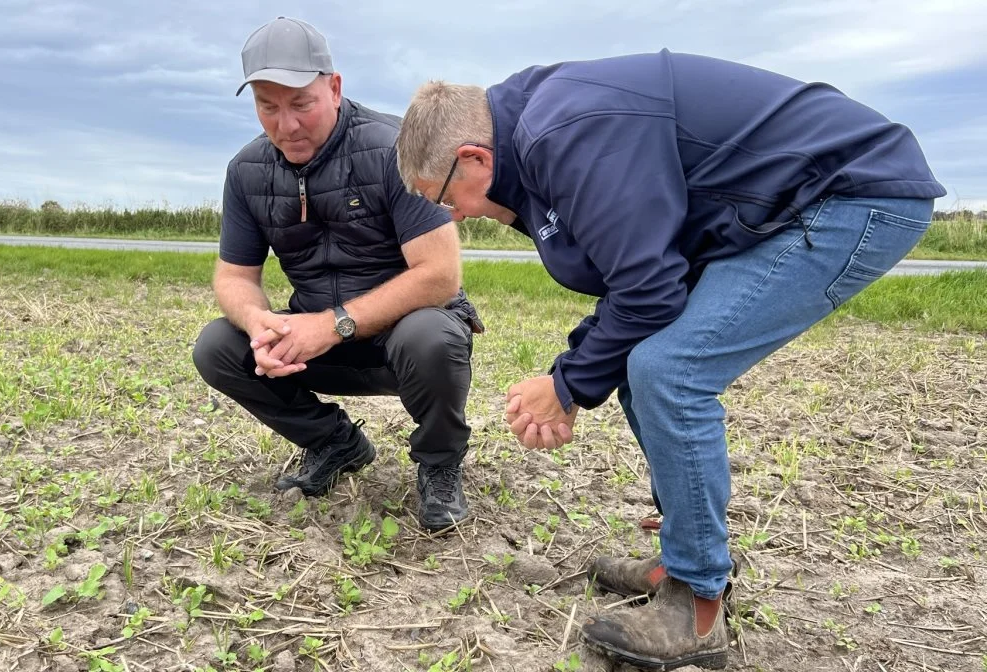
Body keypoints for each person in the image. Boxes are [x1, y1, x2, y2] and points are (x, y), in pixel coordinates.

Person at [395, 49, 945, 669]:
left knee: (671, 371)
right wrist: (570, 372)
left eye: (443, 198)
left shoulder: (565, 132)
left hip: (849, 194)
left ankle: (699, 605)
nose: (455, 216)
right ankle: (685, 555)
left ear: (474, 159)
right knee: (642, 362)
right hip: (788, 204)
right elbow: (641, 275)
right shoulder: (539, 135)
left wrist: (567, 385)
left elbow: (651, 292)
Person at [191, 16, 484, 533]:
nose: (286, 125)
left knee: (432, 334)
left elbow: (440, 276)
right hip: (321, 342)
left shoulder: (393, 148)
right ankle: (333, 442)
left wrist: (332, 325)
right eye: (268, 106)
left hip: (401, 338)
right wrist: (261, 323)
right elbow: (234, 277)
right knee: (217, 344)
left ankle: (440, 466)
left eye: (301, 103)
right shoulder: (246, 171)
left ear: (334, 86)